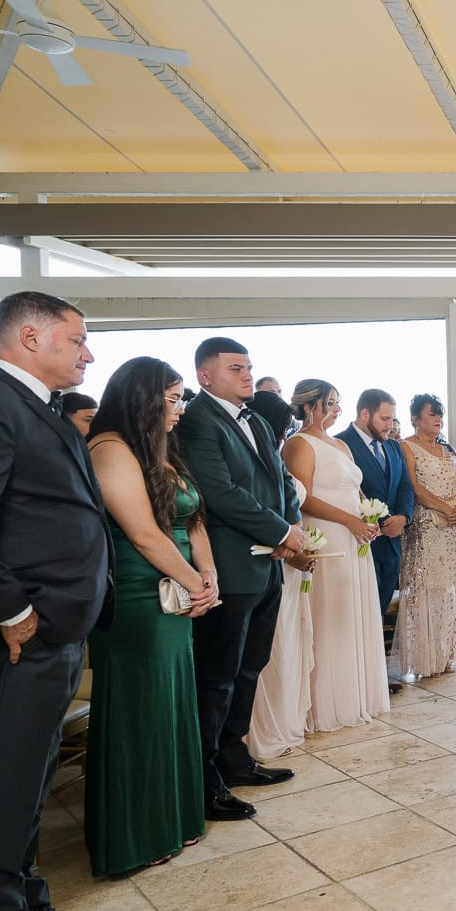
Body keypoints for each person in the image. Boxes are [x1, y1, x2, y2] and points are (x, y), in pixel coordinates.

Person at [0, 292, 112, 911]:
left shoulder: (41, 408)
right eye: (77, 339)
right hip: (25, 635)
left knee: (32, 781)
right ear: (30, 336)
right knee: (7, 785)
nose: (87, 353)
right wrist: (12, 612)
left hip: (61, 628)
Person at [84, 357, 214, 875]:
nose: (181, 409)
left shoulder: (160, 449)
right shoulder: (110, 448)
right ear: (145, 398)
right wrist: (192, 583)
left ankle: (173, 820)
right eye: (174, 398)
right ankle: (135, 836)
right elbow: (141, 533)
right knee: (142, 713)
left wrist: (209, 577)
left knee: (172, 707)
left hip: (177, 588)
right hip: (139, 599)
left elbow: (194, 517)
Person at [178, 338, 302, 822]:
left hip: (268, 564)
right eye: (235, 368)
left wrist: (288, 531)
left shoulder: (253, 419)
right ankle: (206, 780)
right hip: (230, 565)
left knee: (250, 667)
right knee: (218, 676)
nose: (248, 375)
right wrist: (280, 530)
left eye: (249, 367)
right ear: (205, 376)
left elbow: (281, 484)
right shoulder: (197, 422)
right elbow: (220, 493)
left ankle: (234, 756)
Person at [281, 380, 391, 729]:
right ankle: (325, 704)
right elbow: (302, 497)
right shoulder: (299, 444)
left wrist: (368, 517)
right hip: (327, 536)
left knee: (352, 614)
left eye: (338, 402)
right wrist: (348, 520)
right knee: (329, 617)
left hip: (356, 539)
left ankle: (356, 694)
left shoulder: (341, 444)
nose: (337, 409)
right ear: (310, 405)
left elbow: (356, 490)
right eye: (330, 402)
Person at [245, 390, 317, 762]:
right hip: (269, 560)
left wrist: (300, 547)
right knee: (269, 652)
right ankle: (262, 731)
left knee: (286, 645)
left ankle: (286, 722)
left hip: (290, 560)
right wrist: (288, 546)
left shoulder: (275, 456)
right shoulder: (254, 459)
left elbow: (291, 507)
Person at [392, 394, 456, 680]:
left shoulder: (450, 450)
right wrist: (445, 508)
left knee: (449, 590)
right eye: (432, 414)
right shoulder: (406, 446)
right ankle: (422, 660)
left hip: (452, 532)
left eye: (440, 414)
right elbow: (413, 487)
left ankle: (445, 657)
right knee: (424, 591)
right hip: (426, 528)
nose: (439, 419)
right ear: (415, 418)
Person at [336, 389, 413, 683]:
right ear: (364, 414)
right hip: (360, 541)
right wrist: (377, 521)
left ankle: (375, 676)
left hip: (392, 541)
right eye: (384, 418)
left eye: (393, 419)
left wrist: (403, 518)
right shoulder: (342, 443)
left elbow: (405, 485)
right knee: (355, 613)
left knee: (378, 611)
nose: (390, 426)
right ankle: (353, 676)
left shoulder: (393, 447)